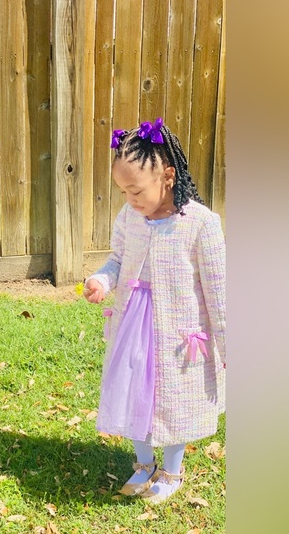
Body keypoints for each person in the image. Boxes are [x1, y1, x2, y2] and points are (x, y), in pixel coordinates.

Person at [83, 118, 225, 504]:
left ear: (167, 176)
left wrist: (228, 347)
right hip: (133, 324)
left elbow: (219, 294)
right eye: (123, 191)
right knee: (133, 391)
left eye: (136, 190)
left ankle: (172, 471)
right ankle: (144, 464)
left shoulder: (201, 225)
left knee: (175, 399)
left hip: (178, 332)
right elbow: (117, 259)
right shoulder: (130, 217)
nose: (130, 199)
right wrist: (101, 280)